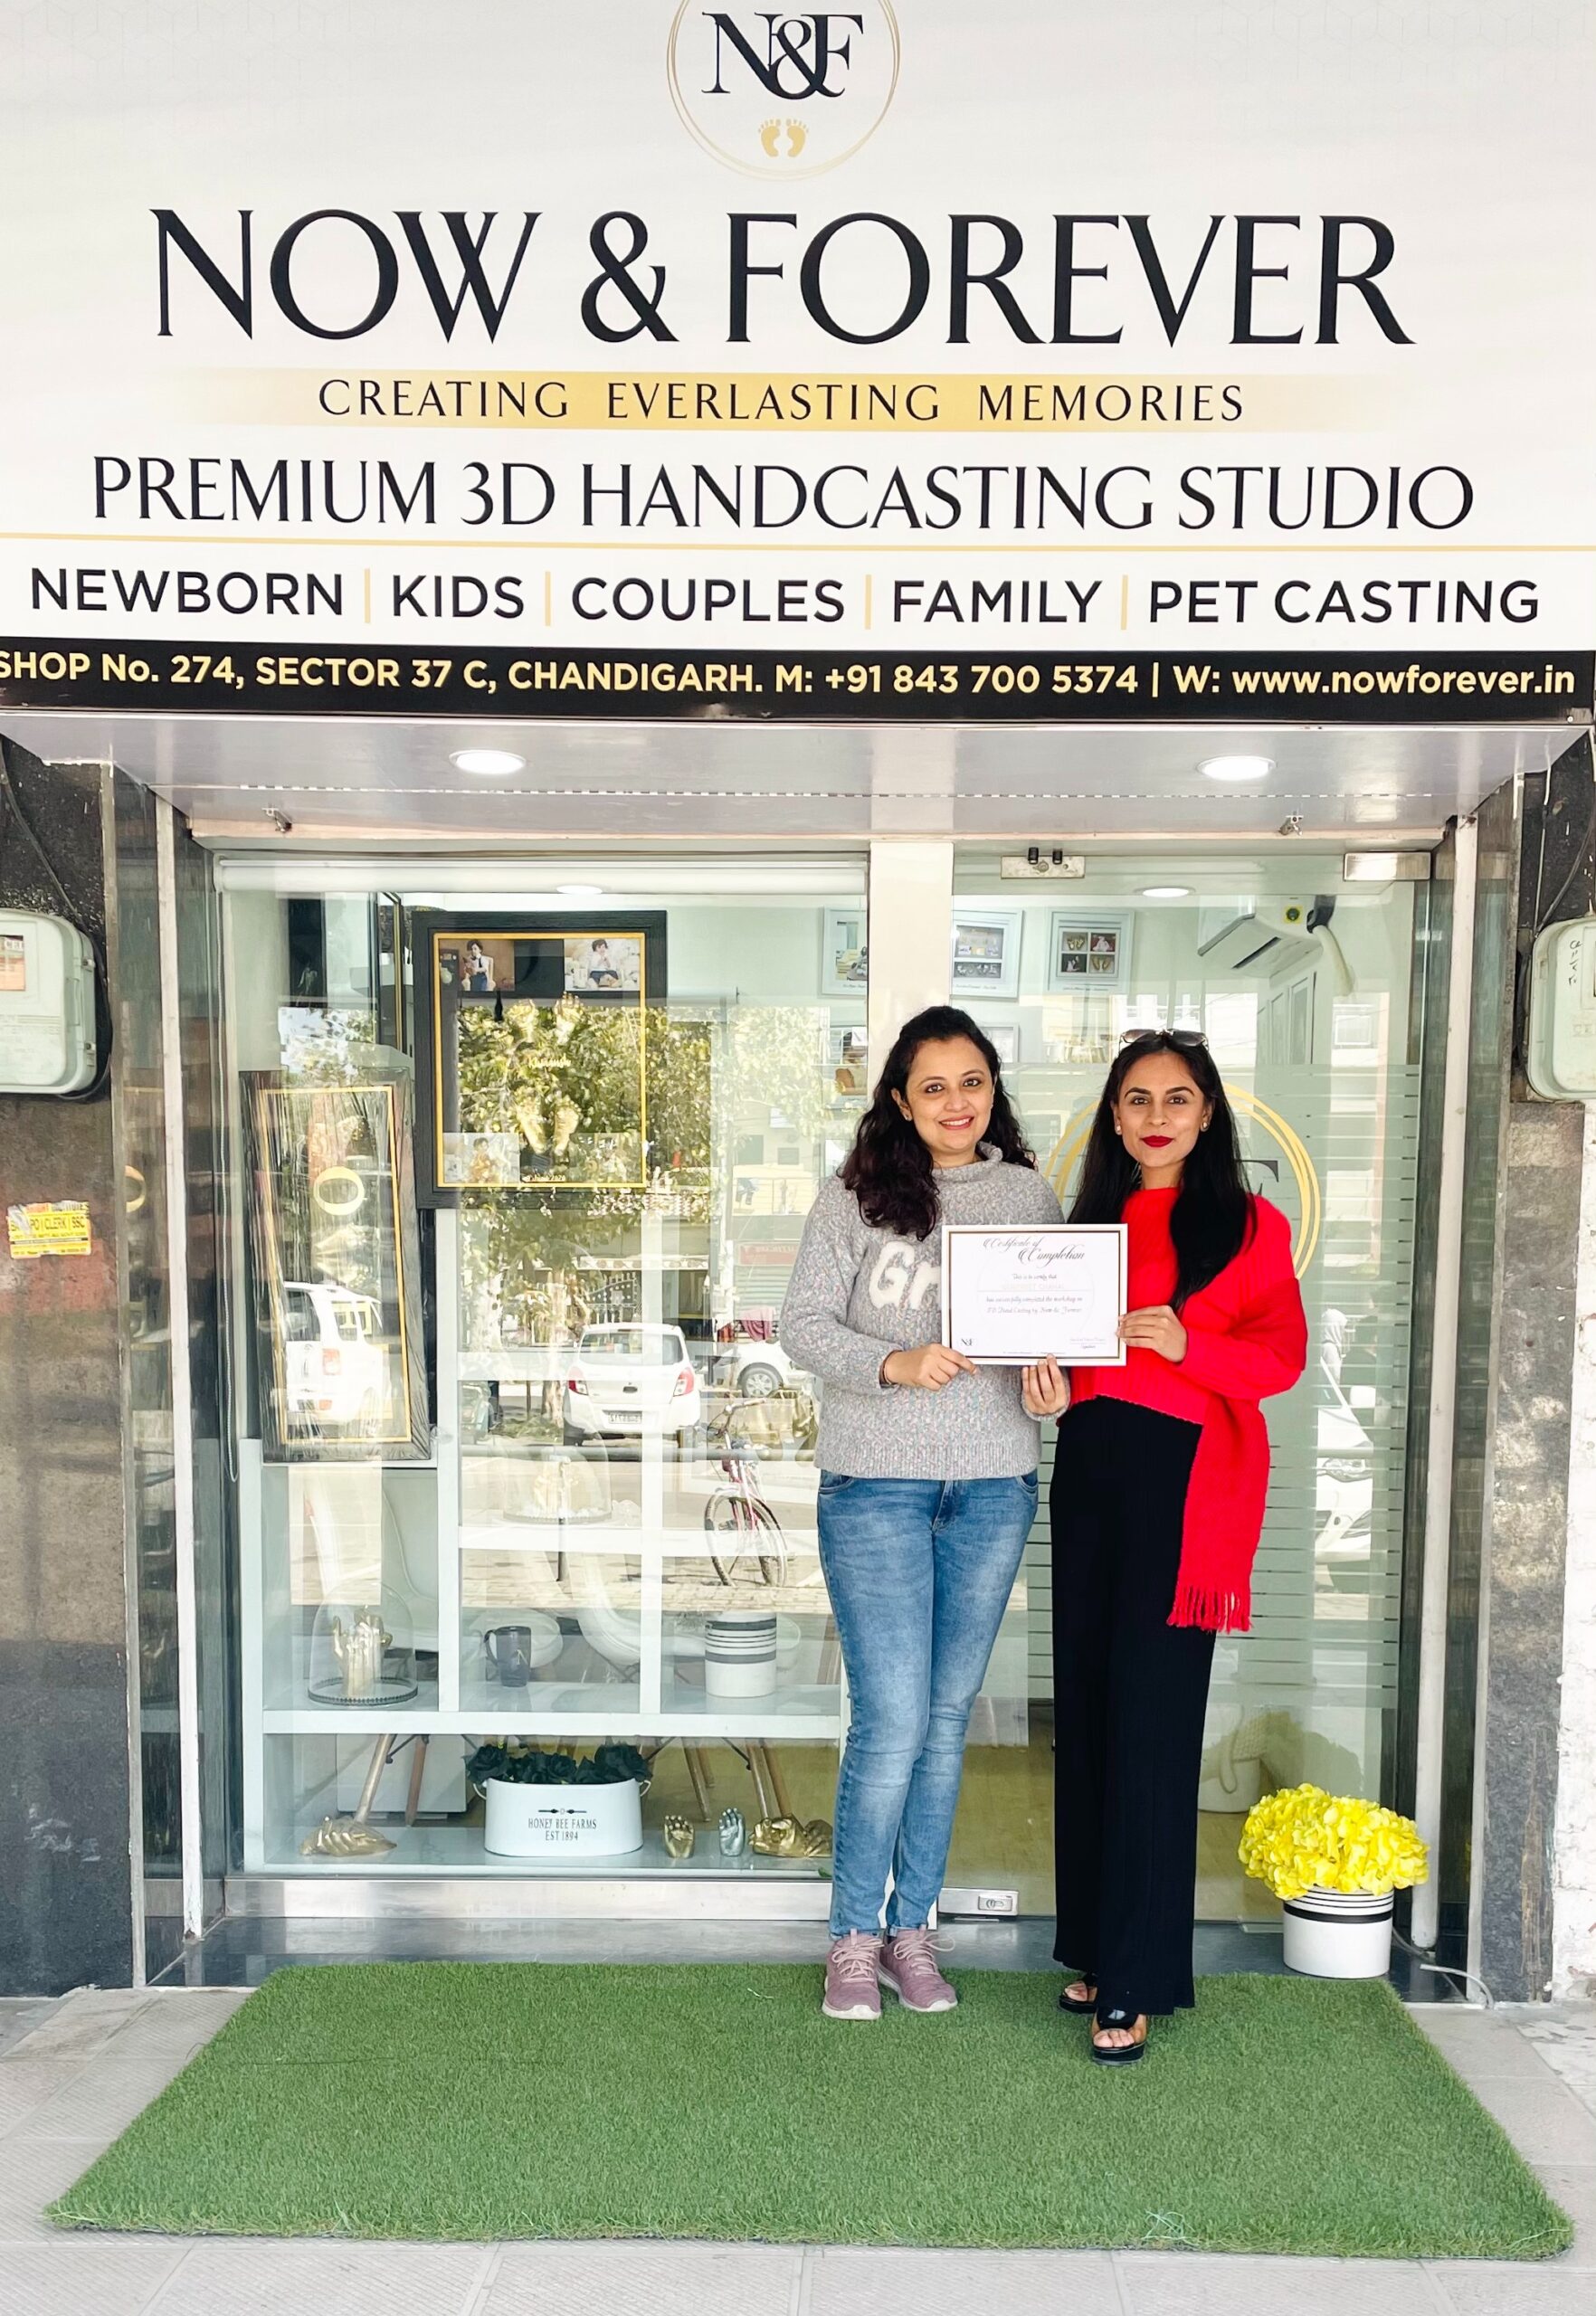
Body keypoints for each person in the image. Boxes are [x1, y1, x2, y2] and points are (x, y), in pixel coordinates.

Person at [780, 1006, 1065, 2021]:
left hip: (993, 1485)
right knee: (894, 1718)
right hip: (877, 1485)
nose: (956, 1102)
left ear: (994, 1090)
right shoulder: (856, 1194)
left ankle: (914, 1933)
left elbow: (1053, 1337)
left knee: (946, 1721)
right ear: (901, 1100)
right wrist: (893, 1363)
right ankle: (852, 1939)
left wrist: (1053, 1389)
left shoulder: (1028, 1196)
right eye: (933, 1086)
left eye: (972, 1081)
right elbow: (800, 1324)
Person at [1048, 1029, 1307, 2064]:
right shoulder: (1085, 1228)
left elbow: (1282, 1357)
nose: (1157, 1116)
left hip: (1185, 1478)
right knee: (1087, 1710)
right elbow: (1063, 1358)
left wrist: (1188, 1342)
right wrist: (1047, 1383)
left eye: (1178, 1098)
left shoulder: (1248, 1223)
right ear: (1114, 1118)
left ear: (1207, 1115)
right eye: (1138, 1098)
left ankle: (1138, 1975)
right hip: (1089, 1466)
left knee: (1151, 1722)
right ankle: (1093, 1946)